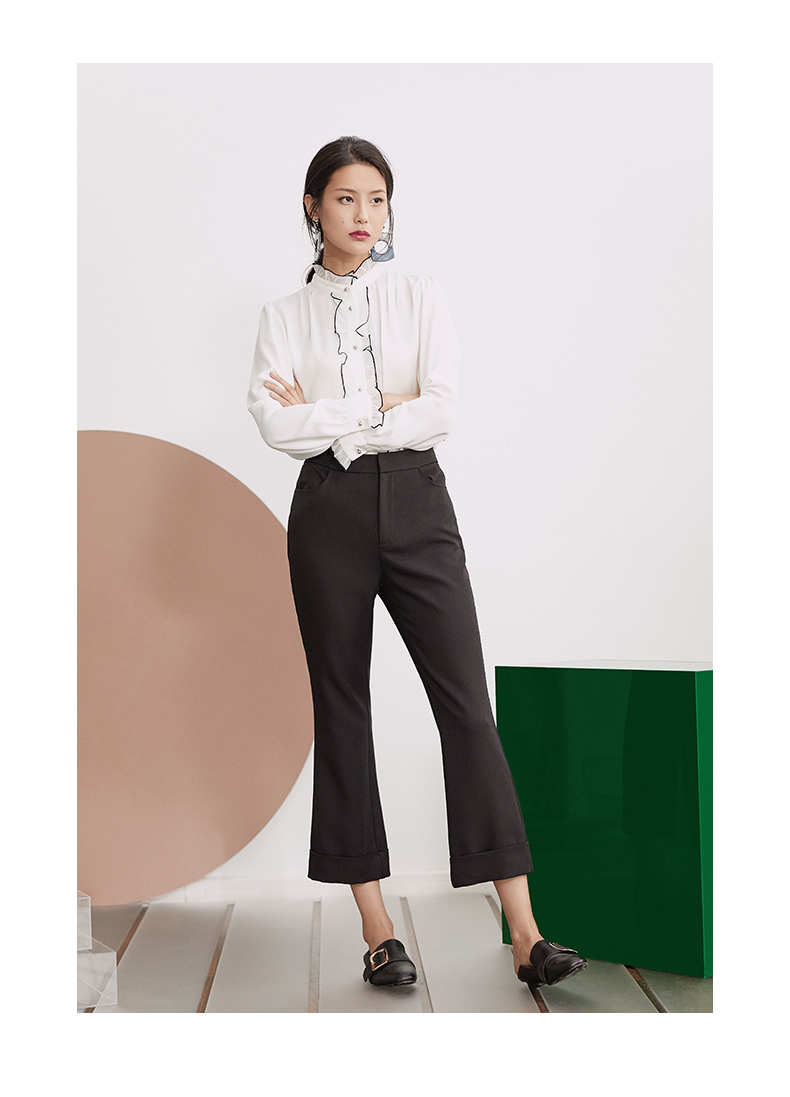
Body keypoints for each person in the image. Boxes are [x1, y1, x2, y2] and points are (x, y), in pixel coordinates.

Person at [247, 136, 586, 992]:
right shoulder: (283, 316)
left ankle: (526, 931)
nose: (364, 215)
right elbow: (274, 423)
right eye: (346, 198)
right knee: (343, 708)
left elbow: (441, 408)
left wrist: (332, 410)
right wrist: (380, 403)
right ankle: (377, 929)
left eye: (378, 199)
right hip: (326, 511)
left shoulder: (419, 294)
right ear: (313, 206)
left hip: (419, 503)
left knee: (466, 705)